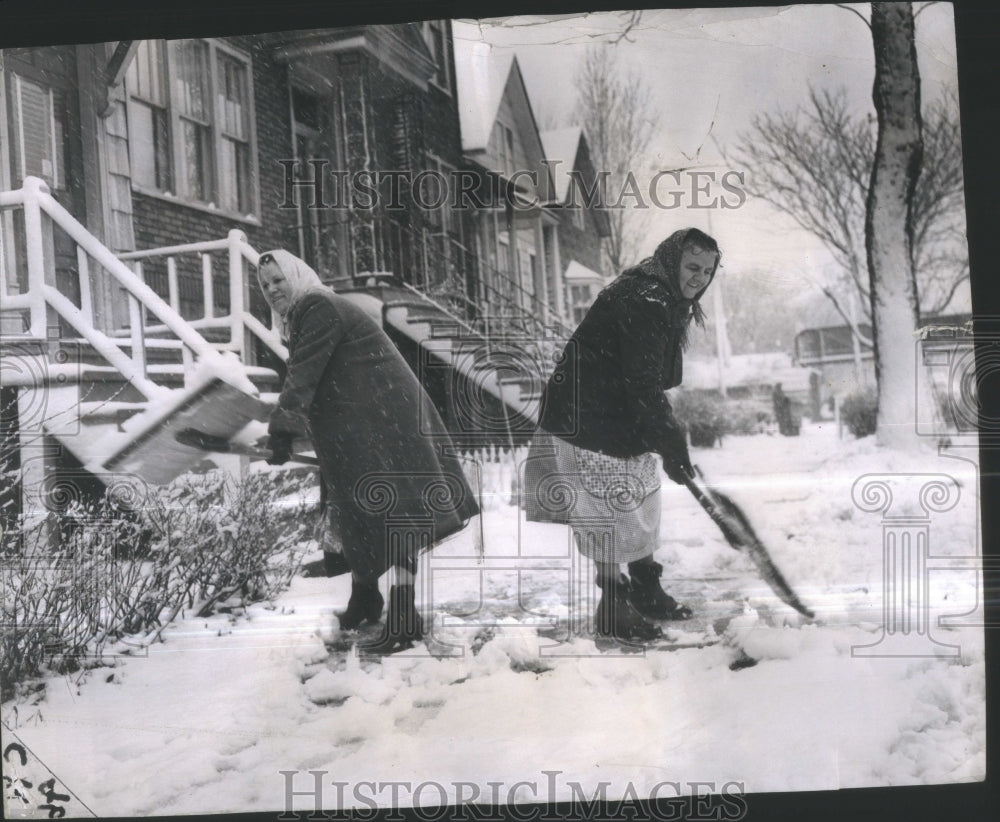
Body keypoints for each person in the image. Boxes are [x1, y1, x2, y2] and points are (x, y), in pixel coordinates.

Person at [257, 249, 479, 653]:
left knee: (398, 516)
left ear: (296, 276)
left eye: (278, 280)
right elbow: (319, 379)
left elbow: (304, 375)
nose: (272, 290)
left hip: (387, 421)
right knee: (353, 509)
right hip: (368, 420)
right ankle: (365, 598)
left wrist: (283, 428)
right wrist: (288, 430)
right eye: (265, 285)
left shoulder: (316, 305)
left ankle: (403, 615)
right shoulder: (306, 313)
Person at [526, 228, 720, 643]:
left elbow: (642, 383)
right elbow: (643, 383)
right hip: (586, 418)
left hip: (615, 412)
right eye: (692, 267)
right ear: (672, 262)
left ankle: (647, 589)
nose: (700, 278)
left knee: (641, 496)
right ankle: (613, 607)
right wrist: (671, 441)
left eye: (707, 270)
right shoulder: (646, 299)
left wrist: (665, 442)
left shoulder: (662, 297)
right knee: (608, 510)